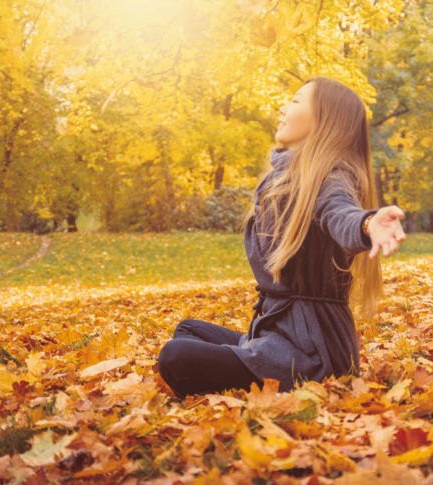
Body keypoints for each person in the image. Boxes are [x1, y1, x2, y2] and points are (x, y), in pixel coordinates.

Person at [157, 76, 407, 399]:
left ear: (324, 119)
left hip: (312, 353)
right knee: (187, 331)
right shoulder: (288, 174)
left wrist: (367, 224)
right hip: (281, 335)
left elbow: (341, 212)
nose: (282, 108)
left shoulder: (330, 177)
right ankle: (253, 355)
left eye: (296, 100)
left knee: (175, 357)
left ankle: (263, 370)